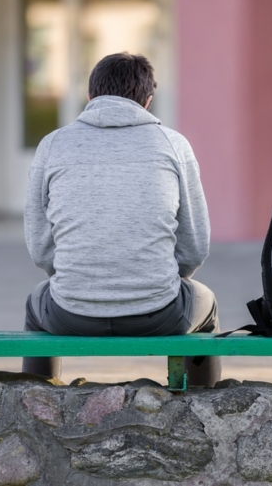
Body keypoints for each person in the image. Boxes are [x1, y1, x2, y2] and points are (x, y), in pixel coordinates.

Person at [23, 52, 221, 387]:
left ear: (90, 97)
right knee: (208, 304)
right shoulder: (173, 145)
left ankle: (40, 403)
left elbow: (41, 249)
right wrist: (160, 280)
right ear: (148, 101)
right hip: (160, 313)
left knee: (35, 304)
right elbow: (195, 248)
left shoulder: (53, 145)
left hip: (70, 314)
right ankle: (201, 405)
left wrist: (82, 281)